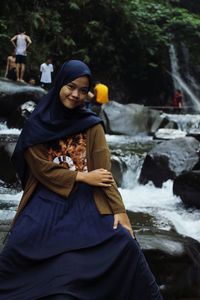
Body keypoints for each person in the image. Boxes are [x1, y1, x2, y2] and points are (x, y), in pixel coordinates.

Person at [0, 60, 163, 300]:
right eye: (71, 86)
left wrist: (120, 212)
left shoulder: (92, 126)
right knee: (18, 247)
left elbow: (104, 173)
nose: (76, 95)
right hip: (46, 196)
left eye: (83, 90)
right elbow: (41, 169)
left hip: (85, 199)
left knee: (124, 242)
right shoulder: (37, 123)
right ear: (59, 85)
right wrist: (82, 176)